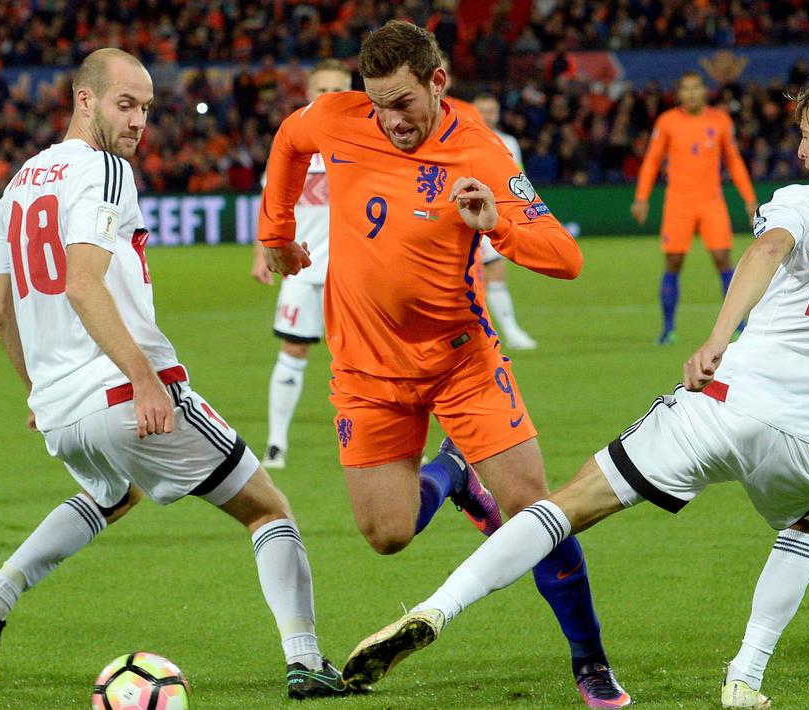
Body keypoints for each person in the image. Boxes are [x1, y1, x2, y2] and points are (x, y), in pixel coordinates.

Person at [344, 71, 809, 708]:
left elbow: (768, 249)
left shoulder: (808, 201)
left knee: (565, 505)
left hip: (722, 406)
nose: (797, 153)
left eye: (802, 136)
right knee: (805, 522)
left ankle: (435, 607)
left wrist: (716, 338)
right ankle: (744, 675)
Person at [0, 48, 346, 700]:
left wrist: (39, 389)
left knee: (114, 493)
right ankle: (305, 661)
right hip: (120, 389)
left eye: (145, 108)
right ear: (84, 100)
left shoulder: (22, 179)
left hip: (62, 406)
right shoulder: (104, 169)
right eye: (124, 104)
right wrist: (141, 377)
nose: (137, 121)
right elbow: (82, 284)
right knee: (267, 510)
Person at [258, 21, 630, 708]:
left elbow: (565, 258)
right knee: (386, 535)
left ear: (438, 82)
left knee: (531, 510)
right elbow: (288, 140)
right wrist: (275, 234)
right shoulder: (340, 117)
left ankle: (590, 661)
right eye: (377, 103)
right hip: (365, 369)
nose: (388, 119)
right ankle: (450, 471)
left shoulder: (479, 152)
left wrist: (496, 224)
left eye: (401, 102)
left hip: (460, 361)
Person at [250, 59, 352, 470]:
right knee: (292, 352)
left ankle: (377, 448)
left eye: (336, 90)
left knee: (366, 359)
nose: (328, 96)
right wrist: (262, 253)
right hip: (302, 268)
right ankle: (276, 443)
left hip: (352, 273)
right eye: (321, 89)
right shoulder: (293, 144)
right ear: (309, 93)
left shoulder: (364, 145)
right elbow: (272, 204)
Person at [631, 71, 758, 345]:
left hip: (711, 200)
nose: (691, 94)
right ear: (679, 94)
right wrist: (642, 197)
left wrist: (749, 199)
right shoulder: (667, 122)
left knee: (723, 259)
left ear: (704, 91)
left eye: (696, 88)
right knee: (673, 262)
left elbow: (734, 161)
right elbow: (652, 161)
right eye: (685, 89)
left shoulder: (720, 120)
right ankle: (668, 329)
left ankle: (739, 325)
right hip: (678, 201)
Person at [473, 92, 538, 350]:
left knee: (495, 270)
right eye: (482, 110)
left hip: (493, 217)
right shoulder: (460, 138)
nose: (487, 116)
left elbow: (517, 182)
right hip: (462, 216)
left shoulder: (508, 142)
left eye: (492, 110)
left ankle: (511, 332)